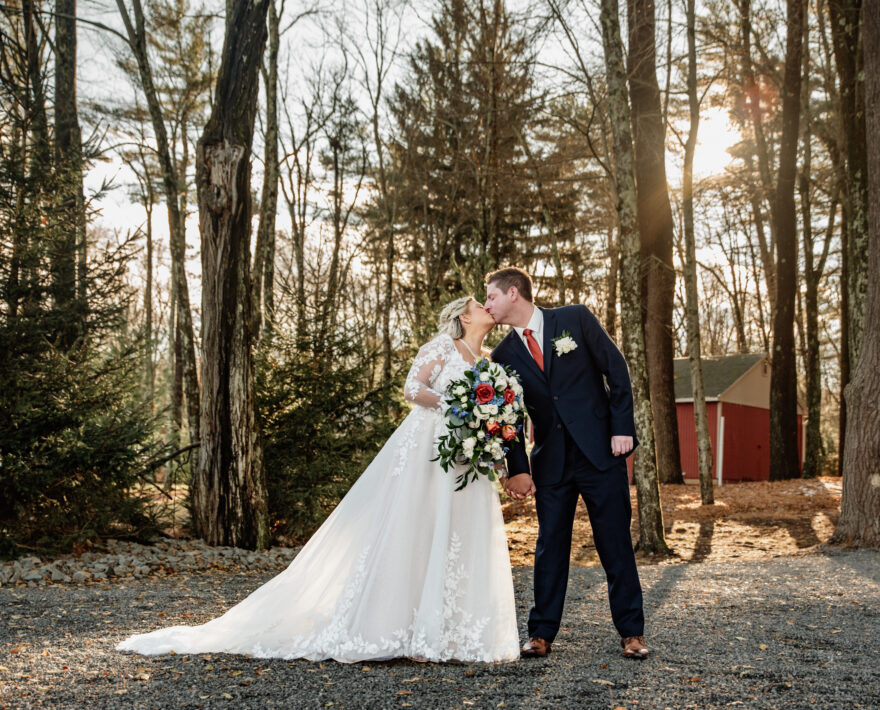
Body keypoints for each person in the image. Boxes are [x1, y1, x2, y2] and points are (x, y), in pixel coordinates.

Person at [116, 297, 520, 664]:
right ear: (464, 316)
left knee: (456, 535)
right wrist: (457, 405)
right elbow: (412, 388)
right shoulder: (439, 348)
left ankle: (448, 634)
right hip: (427, 450)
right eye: (477, 302)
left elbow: (493, 415)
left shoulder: (488, 360)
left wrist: (491, 439)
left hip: (464, 457)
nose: (486, 306)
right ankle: (395, 625)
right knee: (413, 529)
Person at [484, 267, 649, 660]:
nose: (487, 304)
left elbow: (616, 368)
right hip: (551, 463)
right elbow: (507, 418)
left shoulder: (573, 318)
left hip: (601, 454)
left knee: (615, 544)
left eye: (490, 296)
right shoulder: (502, 354)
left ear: (512, 293)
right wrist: (518, 467)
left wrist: (621, 428)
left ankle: (632, 633)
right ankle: (540, 634)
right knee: (549, 547)